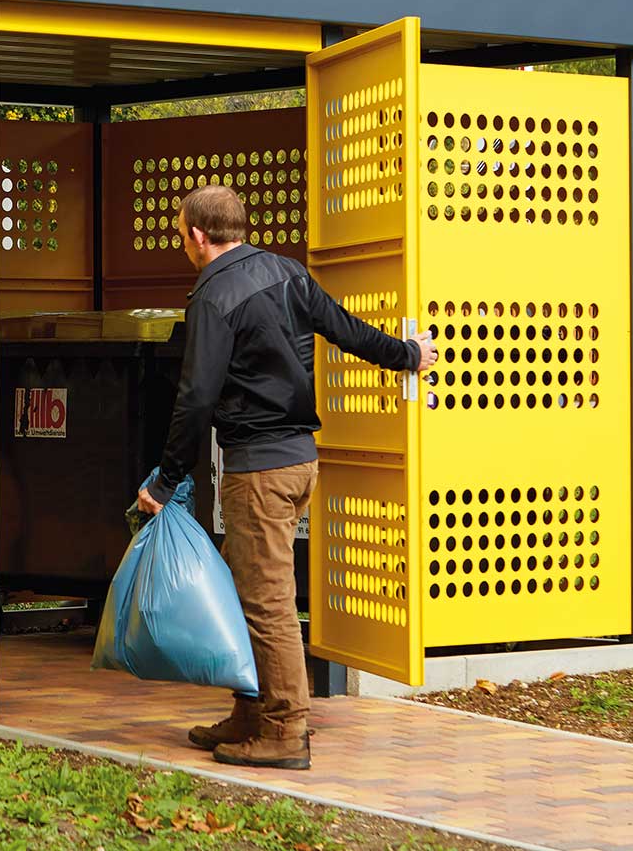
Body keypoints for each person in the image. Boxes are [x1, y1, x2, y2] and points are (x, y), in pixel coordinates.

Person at [136, 184, 437, 771]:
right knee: (250, 590)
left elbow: (195, 398)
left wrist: (165, 480)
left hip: (260, 470)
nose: (182, 240)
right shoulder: (287, 274)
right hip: (300, 461)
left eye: (181, 231)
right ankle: (249, 711)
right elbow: (348, 330)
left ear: (198, 235)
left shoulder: (212, 296)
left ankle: (283, 728)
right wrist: (406, 354)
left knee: (267, 600)